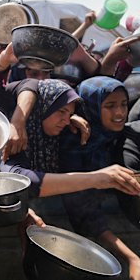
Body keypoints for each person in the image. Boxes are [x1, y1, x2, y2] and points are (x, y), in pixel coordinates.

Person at [0, 78, 140, 198]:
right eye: (61, 111)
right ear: (42, 108)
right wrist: (96, 178)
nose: (66, 121)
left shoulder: (59, 135)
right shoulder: (14, 138)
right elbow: (18, 179)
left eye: (70, 114)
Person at [58, 76, 140, 280]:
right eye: (110, 106)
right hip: (82, 244)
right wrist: (132, 258)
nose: (120, 113)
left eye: (123, 104)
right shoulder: (75, 141)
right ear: (91, 107)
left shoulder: (121, 135)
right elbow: (84, 212)